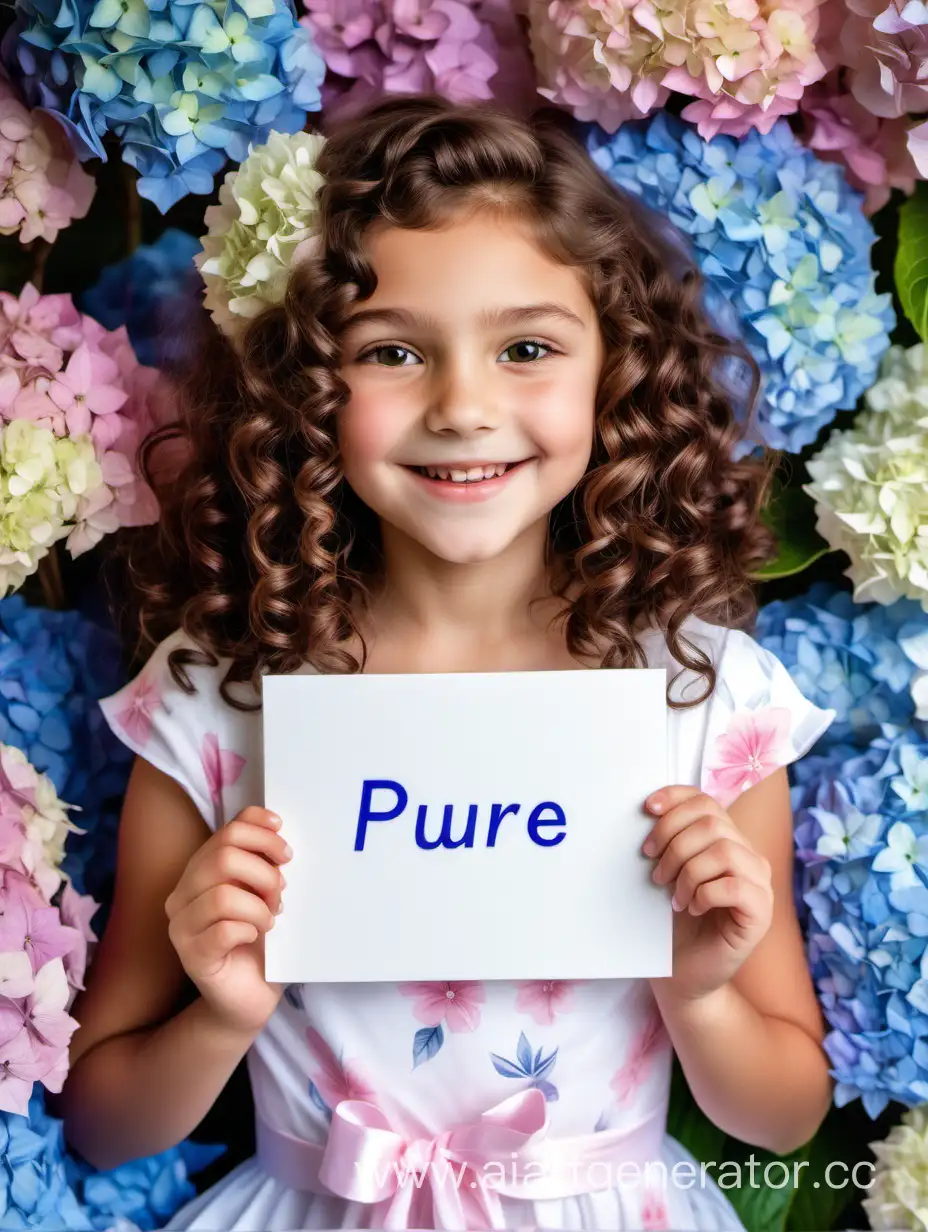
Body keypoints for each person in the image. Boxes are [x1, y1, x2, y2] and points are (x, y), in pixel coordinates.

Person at [59, 94, 837, 1231]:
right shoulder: (218, 696)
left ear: (612, 374)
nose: (464, 406)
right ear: (310, 389)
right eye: (392, 351)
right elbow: (102, 1115)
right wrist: (220, 1010)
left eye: (526, 347)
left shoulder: (700, 698)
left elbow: (785, 1114)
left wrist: (699, 986)